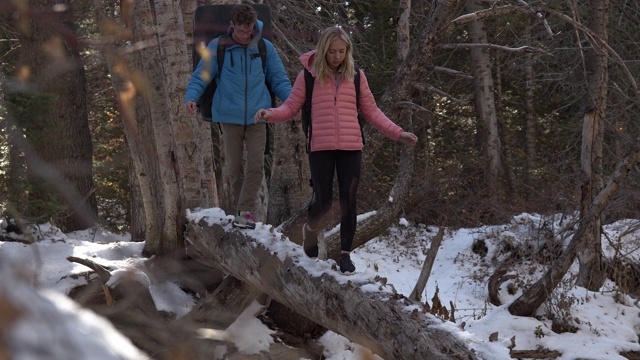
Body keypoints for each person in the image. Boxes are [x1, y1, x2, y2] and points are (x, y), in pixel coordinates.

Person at [254, 27, 418, 274]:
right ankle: (309, 231)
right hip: (320, 148)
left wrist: (398, 133)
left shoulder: (357, 76)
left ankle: (345, 255)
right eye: (332, 51)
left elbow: (372, 112)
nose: (337, 56)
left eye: (342, 51)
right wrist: (270, 114)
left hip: (351, 148)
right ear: (323, 50)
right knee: (324, 201)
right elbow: (290, 107)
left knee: (348, 201)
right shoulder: (308, 76)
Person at [184, 5, 291, 229]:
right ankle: (243, 212)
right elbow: (200, 77)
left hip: (258, 116)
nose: (244, 35)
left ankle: (244, 212)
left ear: (254, 26)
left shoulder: (264, 47)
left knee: (255, 165)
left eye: (249, 30)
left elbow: (279, 80)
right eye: (240, 30)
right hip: (228, 116)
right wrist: (191, 98)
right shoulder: (218, 47)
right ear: (232, 25)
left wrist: (292, 103)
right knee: (234, 169)